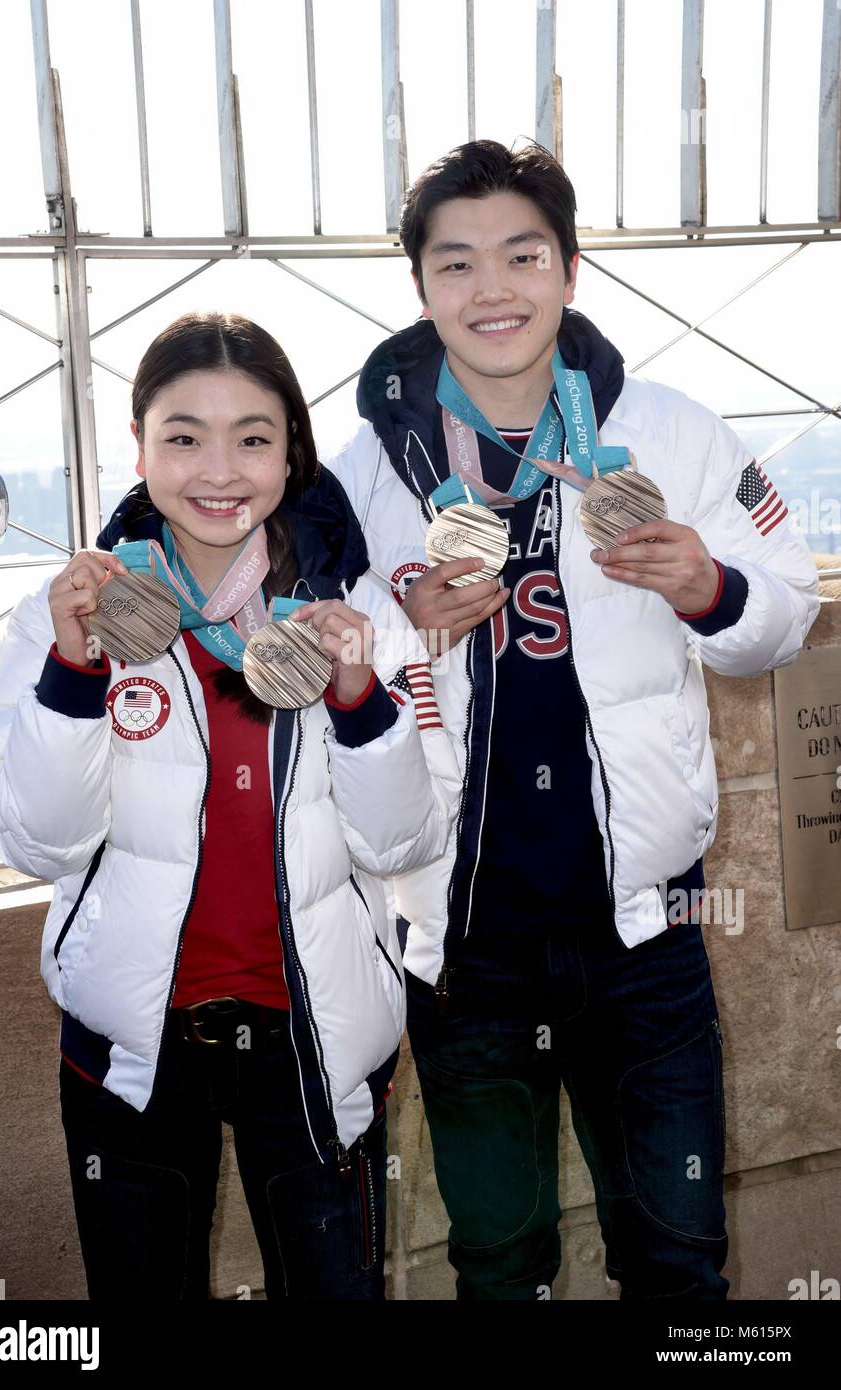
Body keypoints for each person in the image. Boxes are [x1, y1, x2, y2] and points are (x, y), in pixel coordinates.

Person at [324, 140, 820, 1300]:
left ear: (569, 268)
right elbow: (315, 675)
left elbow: (785, 606)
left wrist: (709, 586)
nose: (490, 289)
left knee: (680, 1254)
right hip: (462, 946)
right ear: (419, 287)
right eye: (456, 263)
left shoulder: (672, 427)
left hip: (643, 935)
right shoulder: (360, 473)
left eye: (520, 255)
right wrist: (404, 625)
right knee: (500, 1264)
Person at [0, 311, 460, 1301]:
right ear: (140, 450)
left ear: (290, 457)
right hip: (133, 1049)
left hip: (318, 1041)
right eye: (183, 437)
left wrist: (360, 696)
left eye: (253, 438)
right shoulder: (69, 613)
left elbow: (409, 835)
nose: (218, 471)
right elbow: (36, 840)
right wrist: (75, 672)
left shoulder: (357, 614)